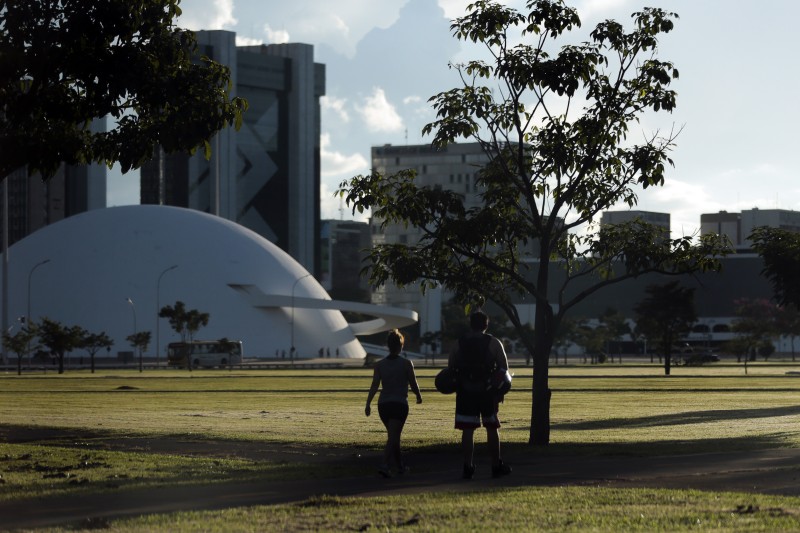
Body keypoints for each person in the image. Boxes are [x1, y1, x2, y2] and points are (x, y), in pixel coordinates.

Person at [449, 310, 511, 479]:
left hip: (465, 392)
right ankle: (496, 464)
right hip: (487, 391)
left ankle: (468, 466)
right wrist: (499, 390)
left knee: (468, 430)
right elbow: (503, 368)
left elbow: (451, 368)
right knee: (492, 427)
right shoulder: (494, 343)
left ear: (470, 324)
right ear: (486, 325)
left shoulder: (458, 343)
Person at [365, 329, 423, 477]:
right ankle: (384, 464)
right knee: (393, 436)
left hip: (383, 405)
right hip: (399, 404)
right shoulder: (406, 363)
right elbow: (413, 382)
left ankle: (400, 467)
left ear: (388, 345)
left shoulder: (379, 365)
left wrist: (368, 403)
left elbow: (374, 385)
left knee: (394, 436)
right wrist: (418, 395)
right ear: (401, 345)